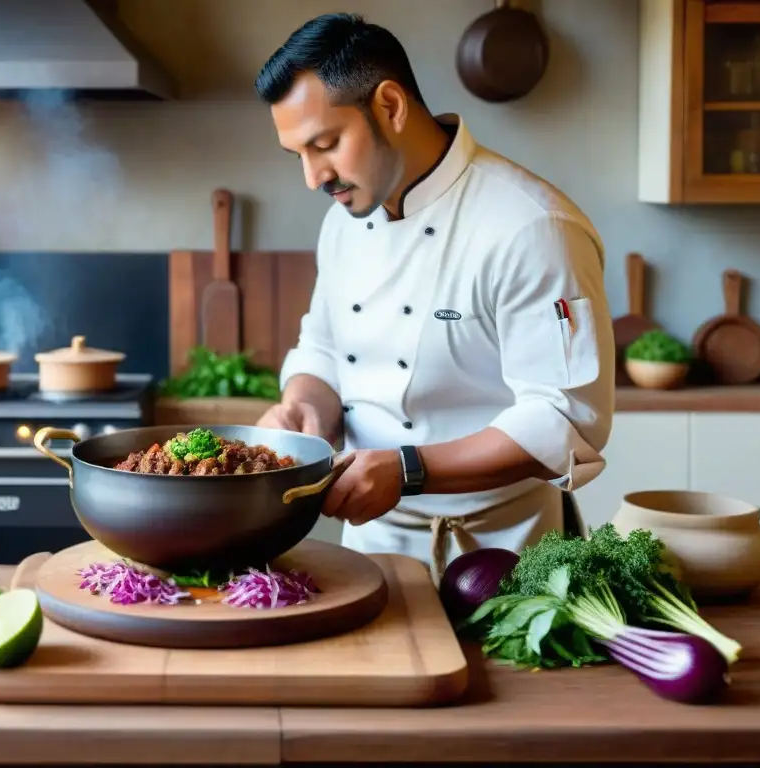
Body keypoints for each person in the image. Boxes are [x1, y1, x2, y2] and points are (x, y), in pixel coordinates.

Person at [253, 13, 615, 585]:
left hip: (506, 556)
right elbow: (322, 349)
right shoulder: (344, 222)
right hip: (370, 549)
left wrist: (408, 469)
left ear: (390, 106)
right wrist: (307, 411)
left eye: (325, 145)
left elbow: (563, 418)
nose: (312, 176)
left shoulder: (531, 226)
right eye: (297, 153)